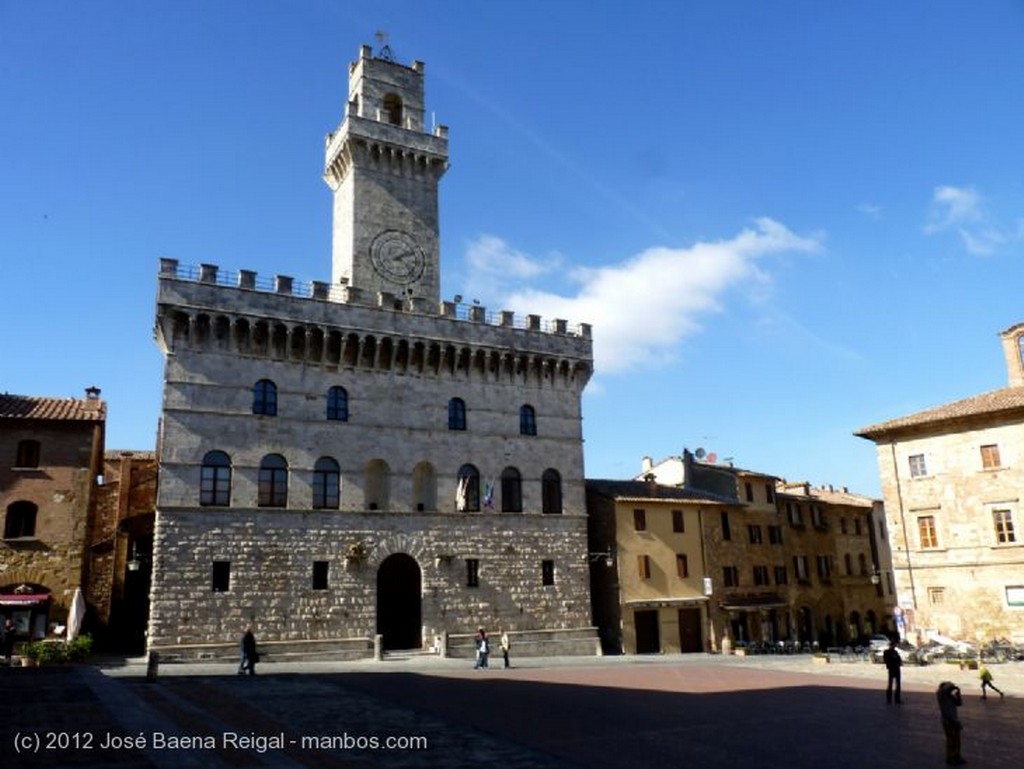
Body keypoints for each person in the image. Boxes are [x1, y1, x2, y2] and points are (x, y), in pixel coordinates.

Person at [936, 681, 965, 765]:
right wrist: (953, 687)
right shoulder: (941, 696)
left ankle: (956, 756)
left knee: (957, 739)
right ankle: (950, 757)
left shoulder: (950, 696)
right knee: (951, 740)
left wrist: (958, 694)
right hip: (947, 720)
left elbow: (959, 703)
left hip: (954, 720)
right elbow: (945, 689)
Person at [883, 639, 902, 704]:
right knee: (890, 684)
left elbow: (899, 660)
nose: (894, 647)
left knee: (898, 685)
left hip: (897, 669)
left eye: (894, 646)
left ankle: (897, 699)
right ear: (890, 645)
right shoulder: (886, 652)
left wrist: (898, 662)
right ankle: (889, 699)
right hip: (891, 669)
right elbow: (886, 660)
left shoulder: (895, 652)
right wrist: (892, 661)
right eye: (893, 645)